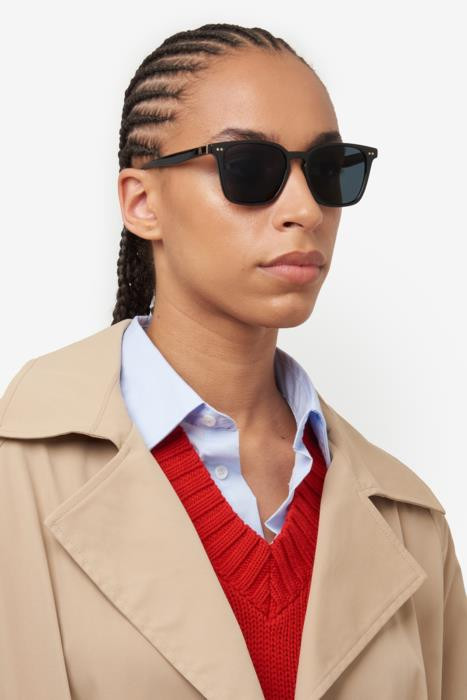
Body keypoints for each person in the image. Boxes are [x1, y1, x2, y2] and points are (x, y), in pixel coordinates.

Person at [0, 21, 465, 700]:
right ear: (142, 203)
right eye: (249, 169)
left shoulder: (410, 523)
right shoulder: (15, 475)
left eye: (328, 171)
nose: (305, 209)